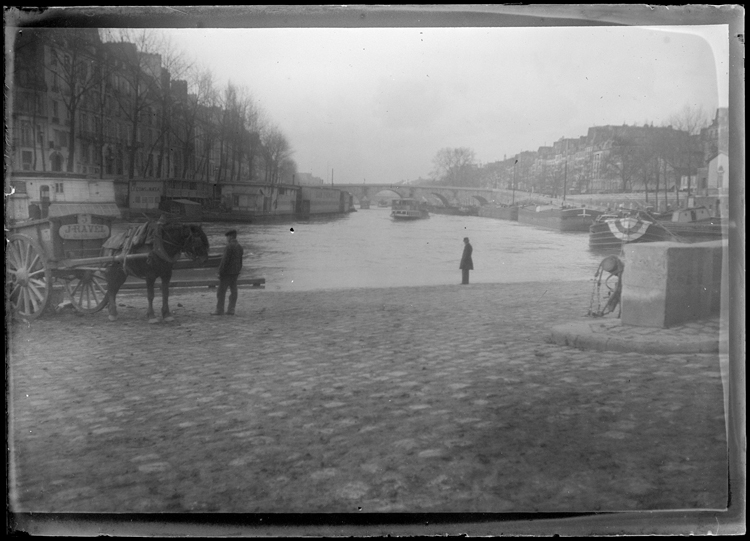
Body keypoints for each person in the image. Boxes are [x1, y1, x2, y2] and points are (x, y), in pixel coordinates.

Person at [212, 229, 244, 316]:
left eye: (227, 237)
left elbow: (224, 261)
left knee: (221, 292)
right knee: (234, 291)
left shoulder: (229, 247)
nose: (226, 239)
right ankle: (231, 309)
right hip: (235, 273)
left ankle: (219, 310)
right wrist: (238, 271)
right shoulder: (240, 247)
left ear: (230, 237)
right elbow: (241, 262)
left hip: (226, 273)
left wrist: (220, 272)